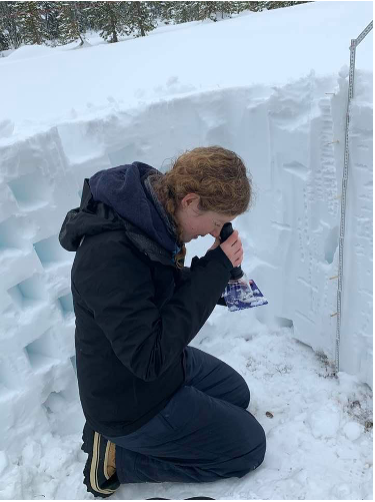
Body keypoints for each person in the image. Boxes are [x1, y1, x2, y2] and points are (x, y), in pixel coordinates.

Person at [59, 146, 267, 499]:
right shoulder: (108, 256)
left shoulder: (152, 211)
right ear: (190, 201)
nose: (213, 232)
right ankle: (115, 458)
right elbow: (148, 357)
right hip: (130, 399)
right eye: (216, 222)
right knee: (249, 447)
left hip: (161, 363)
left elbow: (158, 287)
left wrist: (221, 273)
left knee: (239, 396)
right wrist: (215, 269)